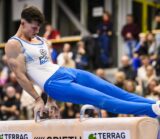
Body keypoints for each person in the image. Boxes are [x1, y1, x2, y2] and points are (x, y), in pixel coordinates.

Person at [5, 6, 160, 119]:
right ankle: (151, 110)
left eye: (39, 27)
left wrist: (51, 100)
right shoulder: (14, 44)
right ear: (23, 22)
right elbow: (20, 76)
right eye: (33, 27)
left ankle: (155, 104)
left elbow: (49, 64)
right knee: (101, 99)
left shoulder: (41, 40)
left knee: (112, 89)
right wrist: (39, 99)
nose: (37, 31)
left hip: (65, 71)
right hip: (55, 84)